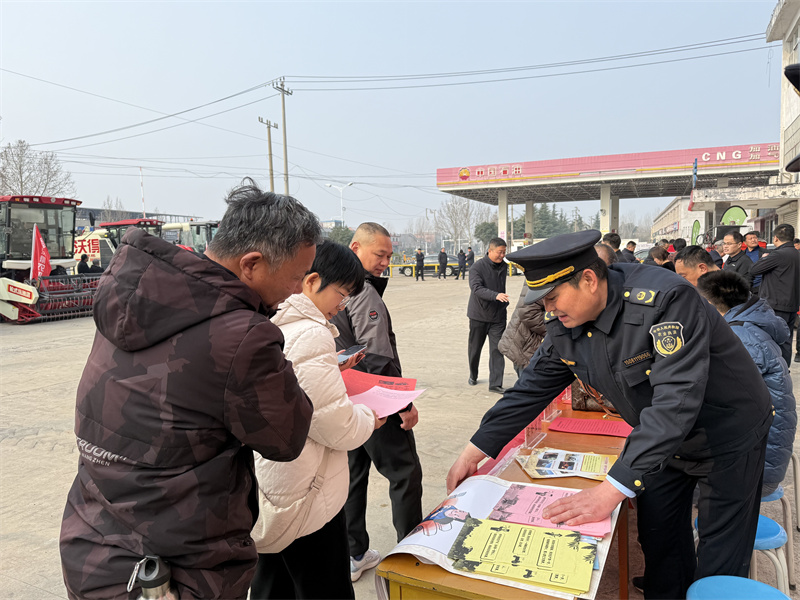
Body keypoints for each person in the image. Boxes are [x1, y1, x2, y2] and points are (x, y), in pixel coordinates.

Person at [447, 230, 772, 600]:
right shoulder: (565, 322)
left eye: (553, 297)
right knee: (659, 537)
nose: (549, 310)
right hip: (659, 442)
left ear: (588, 279)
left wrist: (609, 490)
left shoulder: (665, 301)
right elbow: (529, 389)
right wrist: (474, 450)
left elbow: (676, 400)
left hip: (727, 433)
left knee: (719, 559)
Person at [59, 180, 319, 600]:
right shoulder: (243, 336)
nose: (297, 289)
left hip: (92, 543)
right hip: (179, 567)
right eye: (296, 276)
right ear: (251, 264)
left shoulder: (132, 298)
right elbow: (286, 438)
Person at [249, 240, 385, 600]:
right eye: (341, 295)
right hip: (306, 492)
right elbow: (335, 425)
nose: (341, 306)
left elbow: (297, 389)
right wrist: (370, 417)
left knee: (273, 582)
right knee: (325, 586)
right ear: (311, 282)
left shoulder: (274, 320)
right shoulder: (310, 333)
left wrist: (332, 367)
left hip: (276, 482)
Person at [329, 223, 422, 583]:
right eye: (379, 254)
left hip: (343, 399)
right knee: (404, 474)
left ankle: (354, 553)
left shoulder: (334, 287)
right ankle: (410, 559)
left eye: (389, 255)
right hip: (374, 402)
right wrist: (402, 406)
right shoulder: (362, 291)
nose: (385, 262)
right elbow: (378, 356)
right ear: (355, 247)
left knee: (353, 476)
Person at [696, 270, 796, 498]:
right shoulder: (749, 324)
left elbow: (718, 399)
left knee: (667, 478)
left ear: (711, 305)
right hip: (761, 454)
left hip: (757, 468)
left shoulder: (739, 337)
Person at [750, 224, 800, 366]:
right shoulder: (797, 254)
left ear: (776, 238)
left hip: (775, 304)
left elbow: (754, 270)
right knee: (786, 341)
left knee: (771, 341)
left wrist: (763, 258)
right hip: (791, 304)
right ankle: (784, 370)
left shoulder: (777, 255)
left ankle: (776, 372)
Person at [467, 237, 510, 393]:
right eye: (500, 252)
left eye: (504, 252)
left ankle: (495, 384)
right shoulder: (477, 267)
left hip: (498, 316)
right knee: (475, 349)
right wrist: (495, 295)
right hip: (479, 315)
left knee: (497, 350)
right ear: (490, 251)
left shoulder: (504, 266)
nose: (502, 255)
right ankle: (473, 374)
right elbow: (476, 288)